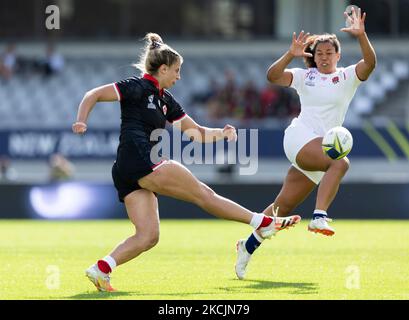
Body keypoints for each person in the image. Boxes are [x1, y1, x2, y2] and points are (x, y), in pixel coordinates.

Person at [72, 33, 301, 292]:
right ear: (163, 68)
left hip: (126, 169)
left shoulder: (166, 100)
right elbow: (93, 94)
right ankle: (261, 222)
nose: (179, 77)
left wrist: (221, 134)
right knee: (204, 195)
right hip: (142, 158)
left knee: (148, 236)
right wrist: (82, 120)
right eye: (177, 71)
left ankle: (102, 269)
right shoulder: (136, 86)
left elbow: (196, 133)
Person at [235, 7, 376, 280]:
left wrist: (361, 35)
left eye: (329, 53)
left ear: (338, 55)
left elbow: (370, 64)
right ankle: (320, 215)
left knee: (281, 209)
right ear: (313, 56)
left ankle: (246, 246)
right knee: (340, 161)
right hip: (300, 138)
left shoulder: (347, 77)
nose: (324, 57)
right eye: (319, 53)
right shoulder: (305, 76)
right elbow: (273, 76)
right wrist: (290, 54)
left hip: (319, 149)